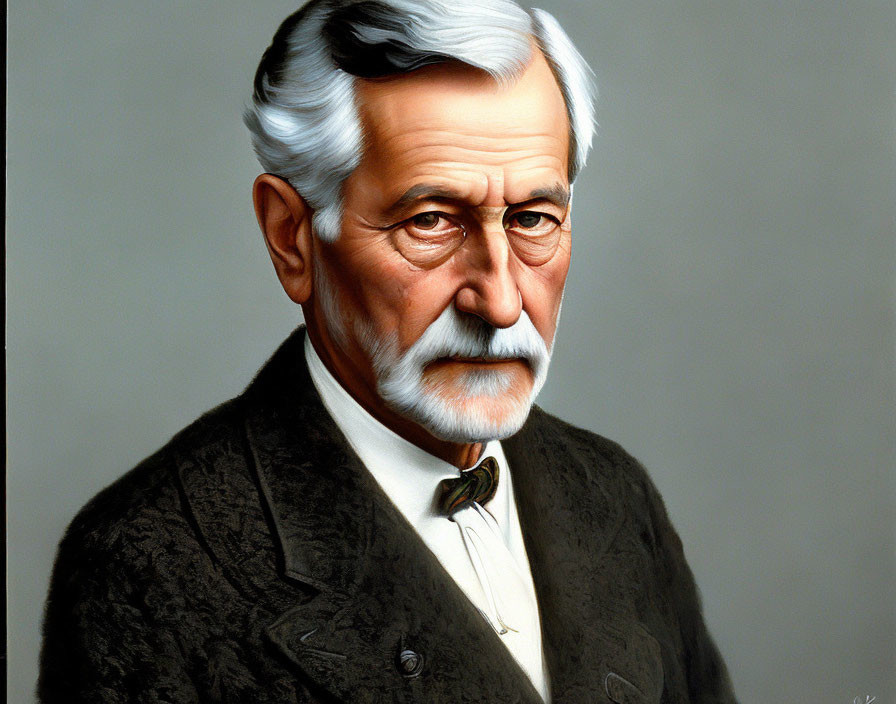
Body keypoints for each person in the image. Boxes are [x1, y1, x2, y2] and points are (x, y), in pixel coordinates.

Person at [38, 1, 737, 702]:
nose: (499, 303)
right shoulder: (147, 562)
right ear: (292, 237)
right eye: (430, 221)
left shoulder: (614, 494)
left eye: (532, 220)